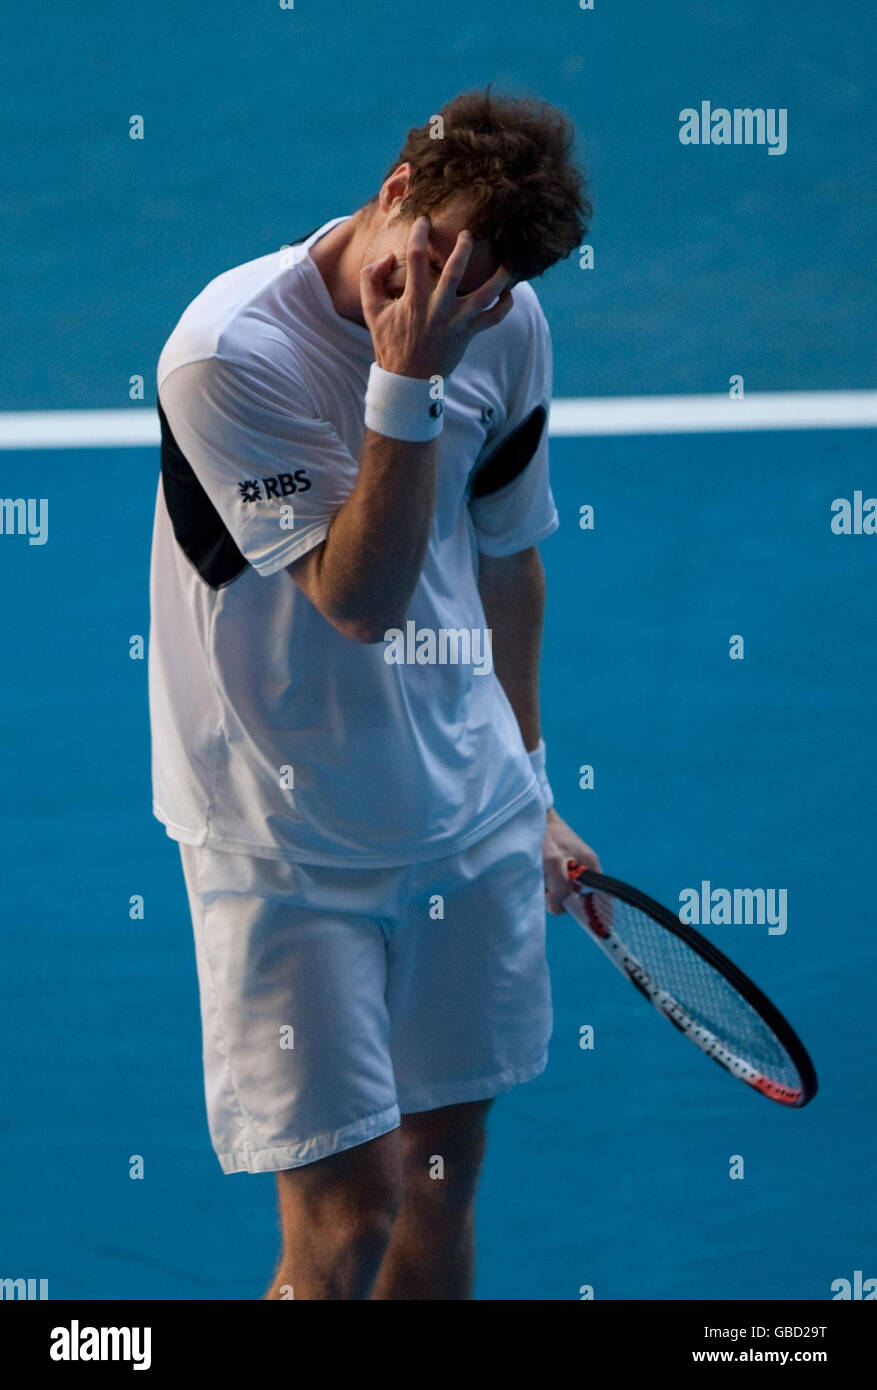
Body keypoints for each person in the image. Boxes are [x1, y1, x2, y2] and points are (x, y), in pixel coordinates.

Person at [148, 88, 600, 1300]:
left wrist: (531, 783)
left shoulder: (507, 325)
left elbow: (508, 561)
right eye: (442, 258)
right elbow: (358, 596)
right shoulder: (227, 352)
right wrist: (406, 381)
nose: (457, 301)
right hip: (281, 839)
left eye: (489, 288)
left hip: (467, 816)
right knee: (346, 1225)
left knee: (444, 1172)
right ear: (397, 185)